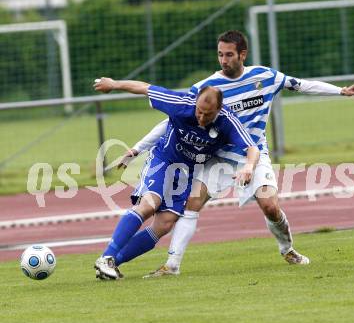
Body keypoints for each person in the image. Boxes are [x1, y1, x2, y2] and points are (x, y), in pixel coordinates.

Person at [119, 30, 354, 278]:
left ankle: (287, 249)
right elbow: (172, 122)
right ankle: (172, 265)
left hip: (254, 156)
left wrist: (341, 91)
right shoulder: (207, 88)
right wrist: (138, 148)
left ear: (242, 54)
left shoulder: (265, 76)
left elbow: (301, 84)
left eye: (229, 55)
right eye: (220, 55)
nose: (223, 60)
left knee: (270, 206)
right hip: (217, 158)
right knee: (191, 202)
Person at [93, 77, 259, 279]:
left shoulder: (227, 121)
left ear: (218, 109)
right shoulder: (181, 103)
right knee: (149, 204)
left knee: (165, 223)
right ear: (196, 101)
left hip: (185, 172)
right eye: (199, 111)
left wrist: (249, 167)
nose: (201, 117)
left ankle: (112, 264)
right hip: (163, 160)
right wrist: (114, 84)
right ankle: (106, 257)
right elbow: (145, 88)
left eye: (207, 114)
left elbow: (252, 147)